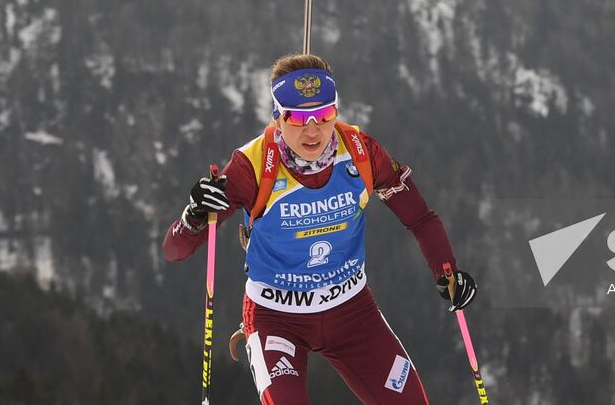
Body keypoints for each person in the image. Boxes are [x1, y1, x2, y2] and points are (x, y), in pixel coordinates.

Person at [163, 53, 477, 405]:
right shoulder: (251, 166)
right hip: (276, 318)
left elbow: (420, 218)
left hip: (352, 312)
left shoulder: (361, 153)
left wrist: (447, 271)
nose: (312, 129)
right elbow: (176, 249)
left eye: (324, 114)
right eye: (297, 118)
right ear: (278, 118)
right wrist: (194, 214)